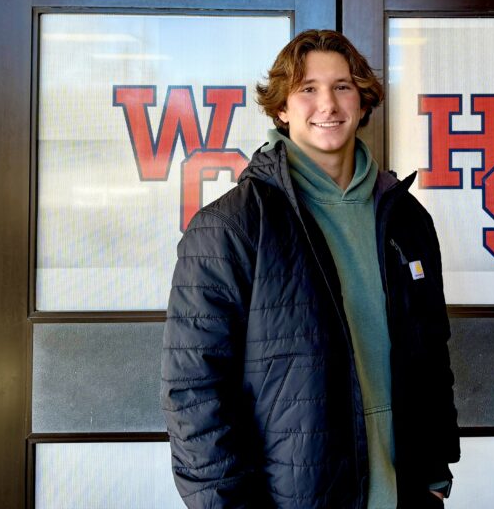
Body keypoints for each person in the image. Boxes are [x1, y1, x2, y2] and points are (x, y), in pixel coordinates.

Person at [162, 29, 460, 508]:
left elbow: (433, 353)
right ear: (281, 107)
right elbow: (195, 392)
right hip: (293, 497)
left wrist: (435, 474)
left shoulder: (407, 219)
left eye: (343, 86)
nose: (328, 104)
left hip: (403, 492)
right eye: (308, 89)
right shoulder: (230, 227)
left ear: (362, 102)